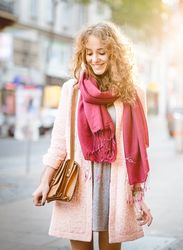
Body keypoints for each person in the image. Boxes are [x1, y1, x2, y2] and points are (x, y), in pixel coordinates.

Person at [32, 22, 153, 250]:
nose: (94, 59)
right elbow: (59, 142)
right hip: (80, 185)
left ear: (114, 53)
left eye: (101, 52)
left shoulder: (134, 93)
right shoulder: (73, 89)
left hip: (115, 186)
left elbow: (138, 150)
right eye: (89, 53)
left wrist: (138, 198)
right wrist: (44, 182)